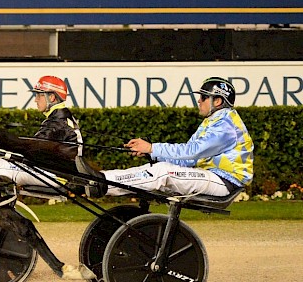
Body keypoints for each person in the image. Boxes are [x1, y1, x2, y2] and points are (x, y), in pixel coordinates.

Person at [85, 77, 253, 198]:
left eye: (203, 97)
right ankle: (100, 179)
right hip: (212, 176)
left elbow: (191, 152)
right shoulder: (212, 122)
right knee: (160, 168)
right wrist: (152, 154)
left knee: (163, 172)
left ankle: (101, 182)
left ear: (217, 101)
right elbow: (187, 160)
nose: (199, 101)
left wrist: (152, 147)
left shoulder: (226, 126)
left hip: (225, 181)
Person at [0, 75, 82, 189]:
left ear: (51, 97)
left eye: (39, 95)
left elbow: (32, 146)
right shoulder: (60, 118)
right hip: (57, 170)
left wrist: (1, 142)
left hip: (57, 175)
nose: (35, 100)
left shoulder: (58, 122)